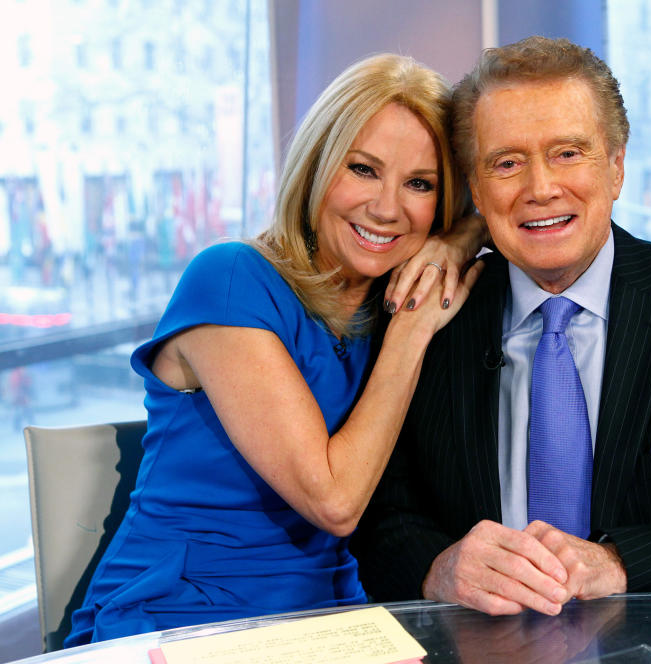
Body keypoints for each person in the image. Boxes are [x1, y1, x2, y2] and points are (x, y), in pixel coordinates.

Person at [351, 36, 651, 616]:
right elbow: (381, 517)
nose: (540, 188)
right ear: (476, 189)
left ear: (617, 166)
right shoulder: (425, 315)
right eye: (507, 163)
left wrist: (619, 562)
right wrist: (436, 565)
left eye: (568, 153)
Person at [65, 53, 485, 646]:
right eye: (362, 169)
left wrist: (460, 239)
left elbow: (498, 212)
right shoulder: (232, 276)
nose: (388, 208)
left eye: (420, 184)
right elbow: (335, 502)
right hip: (179, 618)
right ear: (315, 165)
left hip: (328, 619)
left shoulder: (378, 299)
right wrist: (412, 332)